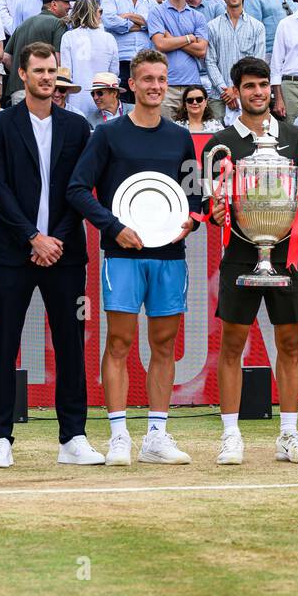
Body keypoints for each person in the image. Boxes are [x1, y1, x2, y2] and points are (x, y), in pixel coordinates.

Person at [68, 48, 202, 466]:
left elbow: (193, 195)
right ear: (132, 85)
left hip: (170, 255)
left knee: (164, 345)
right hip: (122, 255)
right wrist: (114, 228)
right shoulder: (108, 134)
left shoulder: (180, 136)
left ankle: (156, 436)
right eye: (148, 80)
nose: (156, 87)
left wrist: (193, 221)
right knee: (121, 342)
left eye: (162, 80)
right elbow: (76, 189)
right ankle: (119, 435)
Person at [0, 43, 101, 467]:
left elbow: (79, 191)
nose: (47, 77)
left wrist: (55, 240)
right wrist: (33, 237)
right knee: (4, 343)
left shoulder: (77, 127)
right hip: (15, 253)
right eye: (39, 71)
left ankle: (73, 437)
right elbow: (0, 190)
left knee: (70, 345)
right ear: (24, 76)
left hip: (64, 254)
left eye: (52, 70)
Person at [200, 56, 298, 465]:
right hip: (239, 255)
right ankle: (231, 435)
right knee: (233, 343)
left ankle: (288, 433)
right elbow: (206, 196)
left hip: (286, 255)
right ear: (236, 91)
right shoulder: (222, 142)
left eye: (263, 85)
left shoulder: (294, 135)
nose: (257, 92)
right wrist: (214, 209)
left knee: (288, 344)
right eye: (249, 85)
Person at [146, 0, 209, 115]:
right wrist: (189, 38)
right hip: (166, 86)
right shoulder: (156, 12)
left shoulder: (198, 17)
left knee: (192, 135)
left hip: (192, 86)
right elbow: (160, 44)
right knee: (165, 136)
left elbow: (201, 50)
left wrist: (172, 39)